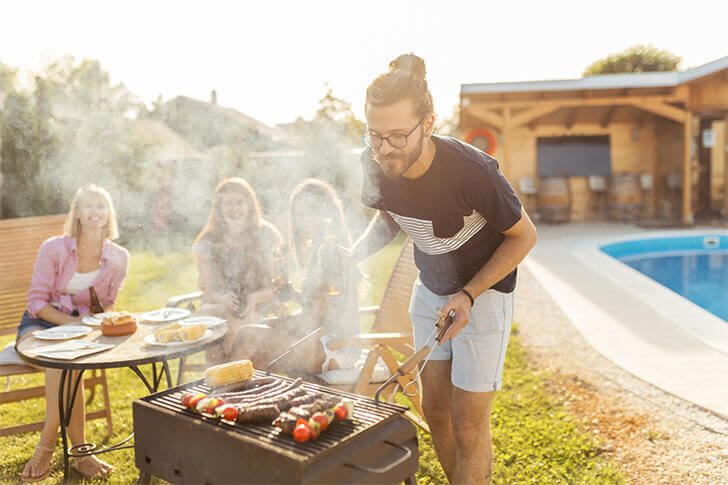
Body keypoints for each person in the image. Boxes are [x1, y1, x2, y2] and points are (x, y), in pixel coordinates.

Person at [349, 53, 538, 484]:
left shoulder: (472, 171)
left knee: (468, 423)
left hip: (484, 295)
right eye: (375, 135)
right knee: (435, 411)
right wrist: (350, 255)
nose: (385, 149)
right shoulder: (374, 161)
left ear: (428, 124)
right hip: (430, 289)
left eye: (399, 136)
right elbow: (389, 218)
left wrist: (468, 294)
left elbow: (524, 236)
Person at [17, 184, 129, 482]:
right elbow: (36, 303)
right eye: (88, 206)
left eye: (101, 206)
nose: (95, 212)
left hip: (81, 332)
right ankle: (69, 449)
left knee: (68, 363)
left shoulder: (118, 257)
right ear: (77, 212)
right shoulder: (53, 248)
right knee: (64, 363)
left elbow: (108, 303)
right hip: (39, 325)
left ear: (109, 212)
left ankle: (59, 448)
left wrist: (96, 322)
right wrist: (71, 324)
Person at [193, 177, 286, 366]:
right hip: (221, 306)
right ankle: (221, 377)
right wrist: (221, 297)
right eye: (228, 203)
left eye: (239, 202)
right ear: (219, 208)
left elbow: (280, 283)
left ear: (250, 205)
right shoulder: (208, 240)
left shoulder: (266, 234)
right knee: (213, 321)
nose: (234, 209)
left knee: (238, 328)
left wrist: (256, 298)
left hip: (261, 307)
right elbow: (206, 287)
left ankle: (230, 376)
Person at [288, 179, 362, 376]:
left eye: (311, 211)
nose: (304, 220)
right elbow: (315, 306)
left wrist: (288, 324)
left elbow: (324, 313)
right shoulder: (315, 250)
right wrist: (291, 294)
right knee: (251, 334)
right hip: (319, 337)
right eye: (299, 214)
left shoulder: (334, 254)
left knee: (253, 340)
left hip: (338, 347)